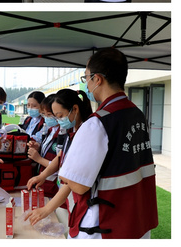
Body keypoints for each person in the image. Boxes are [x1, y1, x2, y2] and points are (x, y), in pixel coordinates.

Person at [57, 48, 158, 238]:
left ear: (98, 79)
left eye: (86, 78)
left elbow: (78, 185)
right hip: (136, 222)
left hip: (102, 227)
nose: (86, 84)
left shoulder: (97, 123)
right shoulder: (137, 114)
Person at [25, 88, 93, 226]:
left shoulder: (86, 133)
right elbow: (61, 157)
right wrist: (42, 176)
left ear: (75, 109)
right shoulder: (71, 131)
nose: (58, 120)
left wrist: (47, 209)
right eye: (55, 116)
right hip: (63, 191)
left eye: (60, 115)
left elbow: (74, 178)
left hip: (75, 193)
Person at [26, 94, 61, 200]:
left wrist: (39, 159)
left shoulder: (62, 134)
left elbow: (60, 164)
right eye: (44, 115)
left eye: (49, 115)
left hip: (54, 186)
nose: (46, 118)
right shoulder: (50, 130)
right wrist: (38, 147)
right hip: (44, 183)